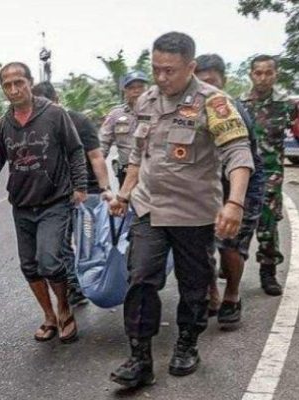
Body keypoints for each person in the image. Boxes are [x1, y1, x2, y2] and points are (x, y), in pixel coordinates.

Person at [107, 32, 254, 387]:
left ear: (191, 67)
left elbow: (238, 153)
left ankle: (187, 343)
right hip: (148, 209)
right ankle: (139, 357)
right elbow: (138, 157)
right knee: (140, 278)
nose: (161, 78)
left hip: (194, 213)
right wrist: (125, 194)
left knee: (194, 285)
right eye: (156, 69)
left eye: (169, 71)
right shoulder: (145, 101)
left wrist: (234, 202)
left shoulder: (214, 102)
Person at [0, 62, 88, 343]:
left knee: (50, 261)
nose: (14, 89)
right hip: (23, 206)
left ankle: (64, 310)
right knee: (29, 266)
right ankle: (49, 316)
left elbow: (76, 150)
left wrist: (80, 186)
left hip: (55, 202)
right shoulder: (3, 126)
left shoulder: (54, 114)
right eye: (8, 85)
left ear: (29, 82)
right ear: (3, 89)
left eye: (19, 82)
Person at [194, 54, 265, 327]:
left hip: (242, 184)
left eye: (211, 81)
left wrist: (235, 203)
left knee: (229, 245)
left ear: (222, 81)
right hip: (207, 187)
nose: (206, 87)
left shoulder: (231, 109)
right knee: (201, 246)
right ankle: (212, 293)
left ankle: (232, 296)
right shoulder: (190, 109)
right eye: (200, 81)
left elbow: (240, 159)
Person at [32, 81, 112, 306]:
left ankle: (98, 283)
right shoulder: (36, 126)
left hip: (87, 193)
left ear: (56, 100)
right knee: (60, 245)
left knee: (89, 243)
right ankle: (75, 286)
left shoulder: (79, 121)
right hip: (57, 197)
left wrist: (105, 189)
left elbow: (96, 156)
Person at [240, 55, 299, 296]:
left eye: (268, 73)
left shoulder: (286, 105)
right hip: (241, 172)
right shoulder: (239, 104)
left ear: (275, 75)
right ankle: (230, 266)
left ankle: (268, 272)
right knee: (237, 223)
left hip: (270, 175)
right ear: (251, 75)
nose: (263, 77)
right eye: (258, 73)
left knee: (267, 224)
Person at [100, 71, 149, 186]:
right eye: (132, 88)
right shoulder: (115, 114)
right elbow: (103, 143)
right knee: (124, 202)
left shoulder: (158, 111)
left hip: (151, 171)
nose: (137, 91)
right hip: (126, 171)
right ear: (125, 91)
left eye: (140, 87)